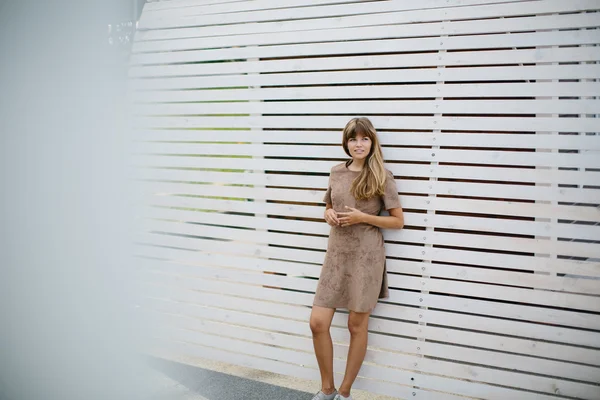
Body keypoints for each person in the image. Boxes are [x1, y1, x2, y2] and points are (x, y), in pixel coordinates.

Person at [310, 117, 404, 400]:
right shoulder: (336, 171)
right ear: (346, 143)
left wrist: (364, 217)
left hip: (366, 257)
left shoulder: (382, 176)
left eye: (364, 139)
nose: (358, 144)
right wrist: (326, 212)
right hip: (337, 254)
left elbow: (399, 221)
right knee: (317, 322)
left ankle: (344, 393)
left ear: (372, 142)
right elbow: (330, 203)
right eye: (353, 139)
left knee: (356, 325)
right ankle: (326, 390)